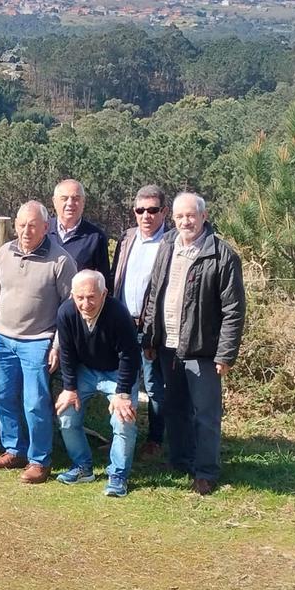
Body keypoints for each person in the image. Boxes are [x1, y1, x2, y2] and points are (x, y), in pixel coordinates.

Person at [141, 192, 245, 495]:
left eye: (191, 215)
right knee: (175, 409)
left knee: (206, 415)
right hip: (167, 347)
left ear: (203, 215)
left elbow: (233, 311)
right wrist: (150, 337)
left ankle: (206, 472)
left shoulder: (222, 255)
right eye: (179, 216)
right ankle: (180, 461)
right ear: (172, 218)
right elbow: (154, 292)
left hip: (203, 350)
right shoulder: (168, 244)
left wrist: (225, 354)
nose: (185, 221)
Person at [0, 201, 77, 484]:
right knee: (1, 397)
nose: (26, 230)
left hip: (38, 341)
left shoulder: (61, 261)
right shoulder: (3, 253)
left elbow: (69, 309)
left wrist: (57, 345)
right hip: (1, 337)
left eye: (33, 225)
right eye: (21, 225)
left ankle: (39, 460)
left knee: (34, 402)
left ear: (46, 227)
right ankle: (14, 449)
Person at [54, 270, 142, 497]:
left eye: (91, 297)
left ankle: (118, 476)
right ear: (72, 295)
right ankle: (83, 467)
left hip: (117, 372)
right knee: (66, 414)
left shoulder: (118, 314)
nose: (85, 303)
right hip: (86, 371)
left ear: (104, 293)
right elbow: (67, 353)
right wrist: (69, 388)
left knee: (123, 419)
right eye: (80, 297)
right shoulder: (65, 312)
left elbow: (130, 355)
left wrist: (123, 393)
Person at [111, 185, 168, 459]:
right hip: (122, 325)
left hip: (152, 329)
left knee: (155, 386)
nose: (146, 215)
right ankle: (124, 437)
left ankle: (155, 439)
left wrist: (153, 333)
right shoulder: (127, 238)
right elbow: (115, 280)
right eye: (140, 210)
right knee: (124, 383)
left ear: (164, 211)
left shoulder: (171, 242)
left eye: (153, 210)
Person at [48, 179, 111, 286]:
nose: (70, 203)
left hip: (77, 302)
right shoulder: (43, 231)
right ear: (54, 201)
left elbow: (104, 282)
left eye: (75, 198)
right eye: (64, 198)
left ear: (83, 202)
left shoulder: (95, 237)